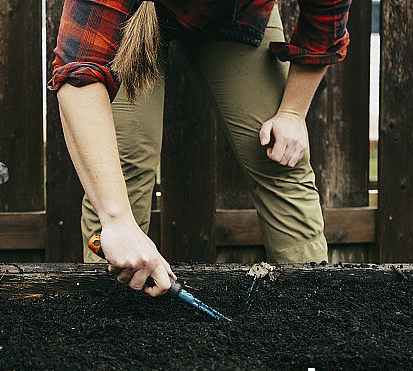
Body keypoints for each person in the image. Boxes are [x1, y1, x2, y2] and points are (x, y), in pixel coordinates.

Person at [48, 0, 351, 297]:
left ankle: (311, 303)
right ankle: (111, 320)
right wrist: (116, 220)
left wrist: (292, 113)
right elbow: (79, 72)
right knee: (121, 169)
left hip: (235, 16)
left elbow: (325, 18)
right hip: (135, 12)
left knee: (279, 156)